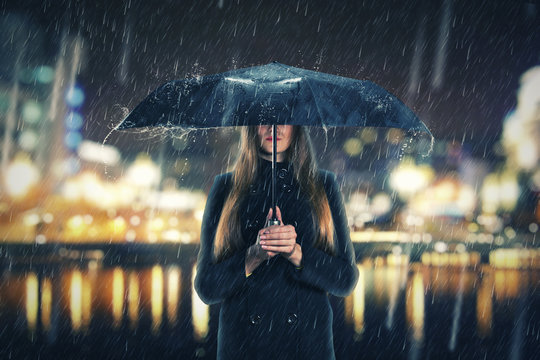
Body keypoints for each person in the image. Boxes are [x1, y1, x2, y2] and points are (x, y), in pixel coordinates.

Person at [194, 125, 359, 360]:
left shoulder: (324, 185)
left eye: (285, 118)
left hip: (307, 348)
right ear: (250, 127)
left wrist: (297, 254)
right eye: (264, 117)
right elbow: (207, 287)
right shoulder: (225, 189)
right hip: (244, 348)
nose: (275, 126)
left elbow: (345, 279)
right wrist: (253, 256)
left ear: (298, 127)